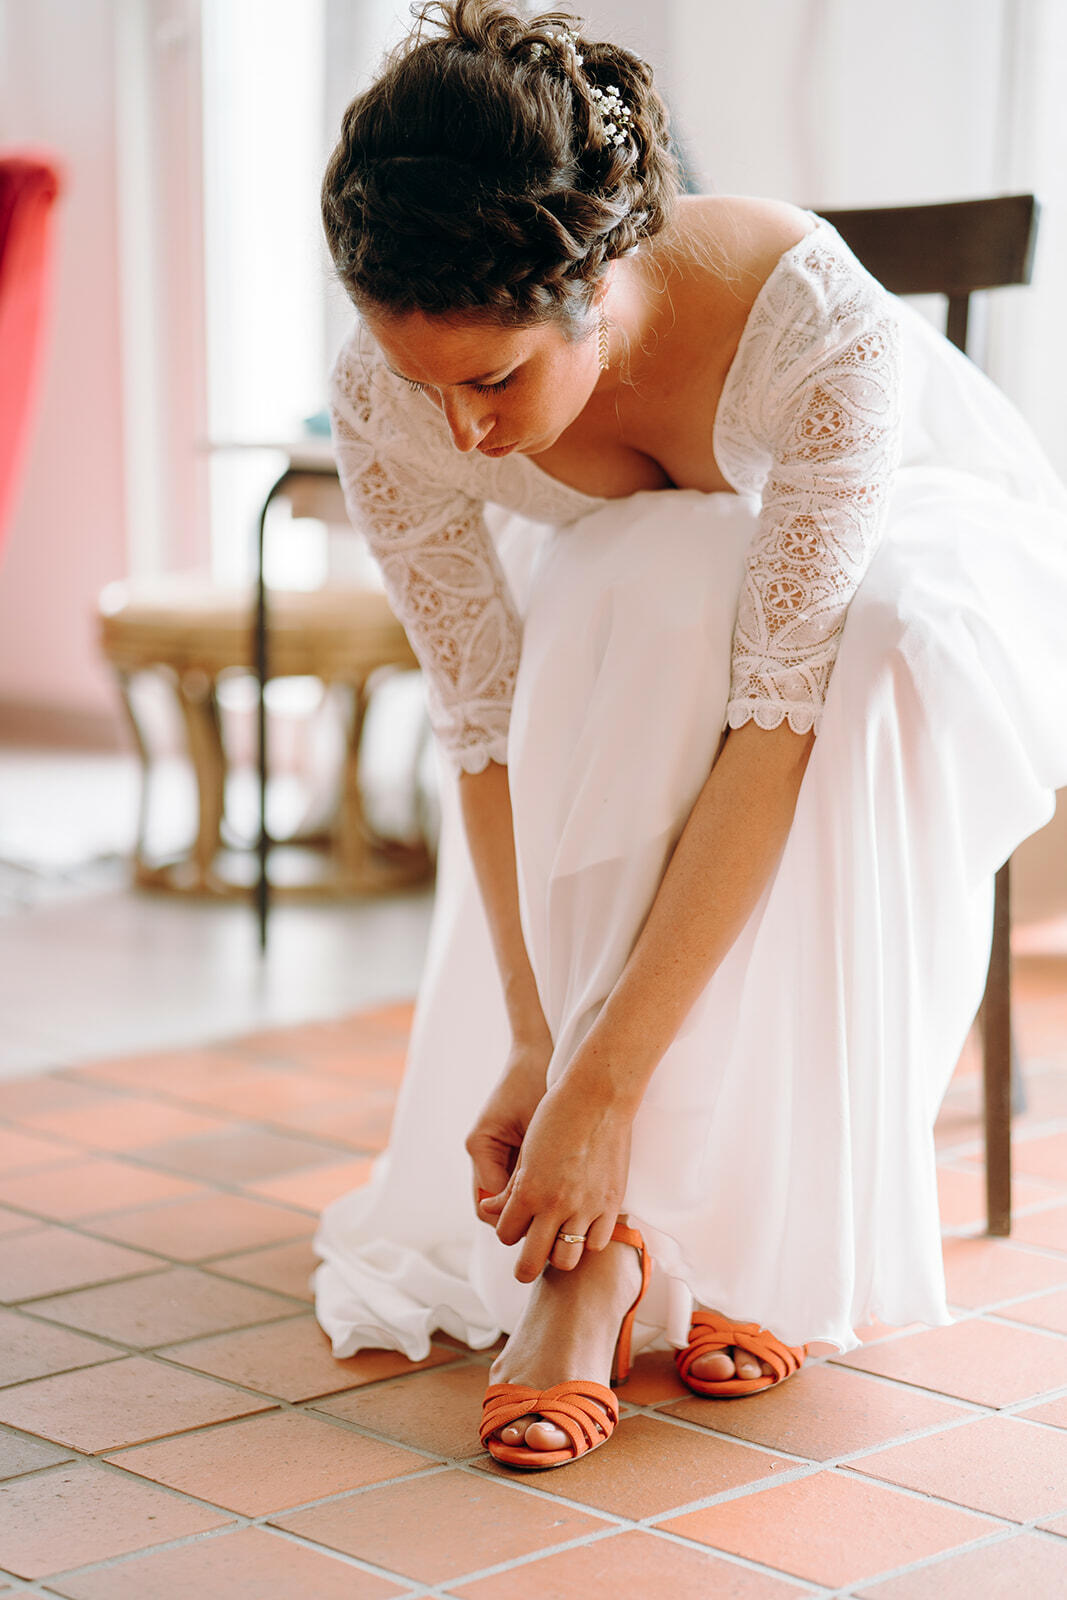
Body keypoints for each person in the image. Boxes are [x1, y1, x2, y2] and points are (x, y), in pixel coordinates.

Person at [313, 0, 1067, 1468]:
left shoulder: (820, 332)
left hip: (917, 572)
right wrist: (541, 1042)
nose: (460, 435)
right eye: (419, 381)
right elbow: (482, 732)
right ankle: (601, 1254)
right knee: (635, 581)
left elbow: (775, 729)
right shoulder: (391, 410)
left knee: (846, 646)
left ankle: (755, 1225)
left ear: (600, 283)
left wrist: (605, 1089)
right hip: (652, 615)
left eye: (493, 380)